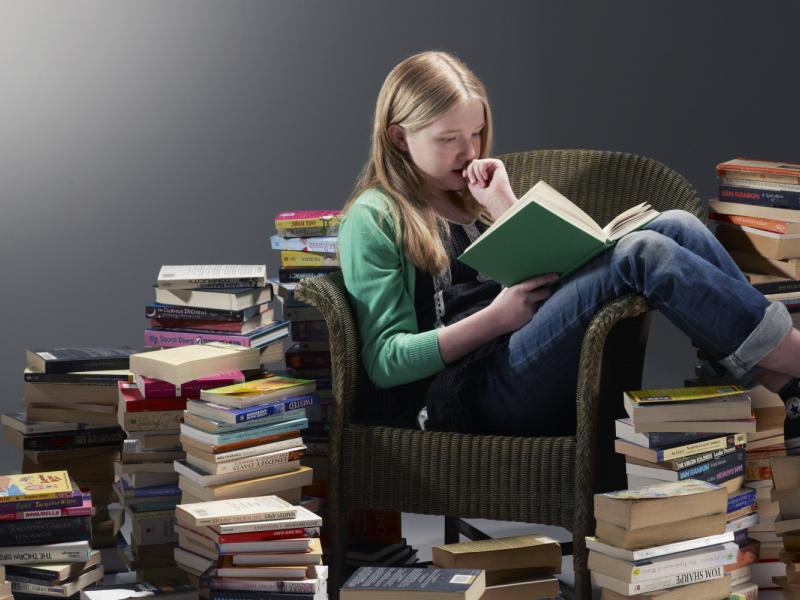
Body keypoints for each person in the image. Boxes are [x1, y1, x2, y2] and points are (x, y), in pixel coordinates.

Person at [338, 49, 800, 441]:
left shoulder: (469, 194)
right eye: (449, 139)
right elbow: (384, 360)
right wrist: (496, 318)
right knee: (642, 254)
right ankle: (787, 362)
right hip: (464, 394)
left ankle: (781, 381)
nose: (471, 151)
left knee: (675, 224)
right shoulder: (374, 216)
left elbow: (541, 273)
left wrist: (505, 208)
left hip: (526, 354)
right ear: (399, 137)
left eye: (476, 132)